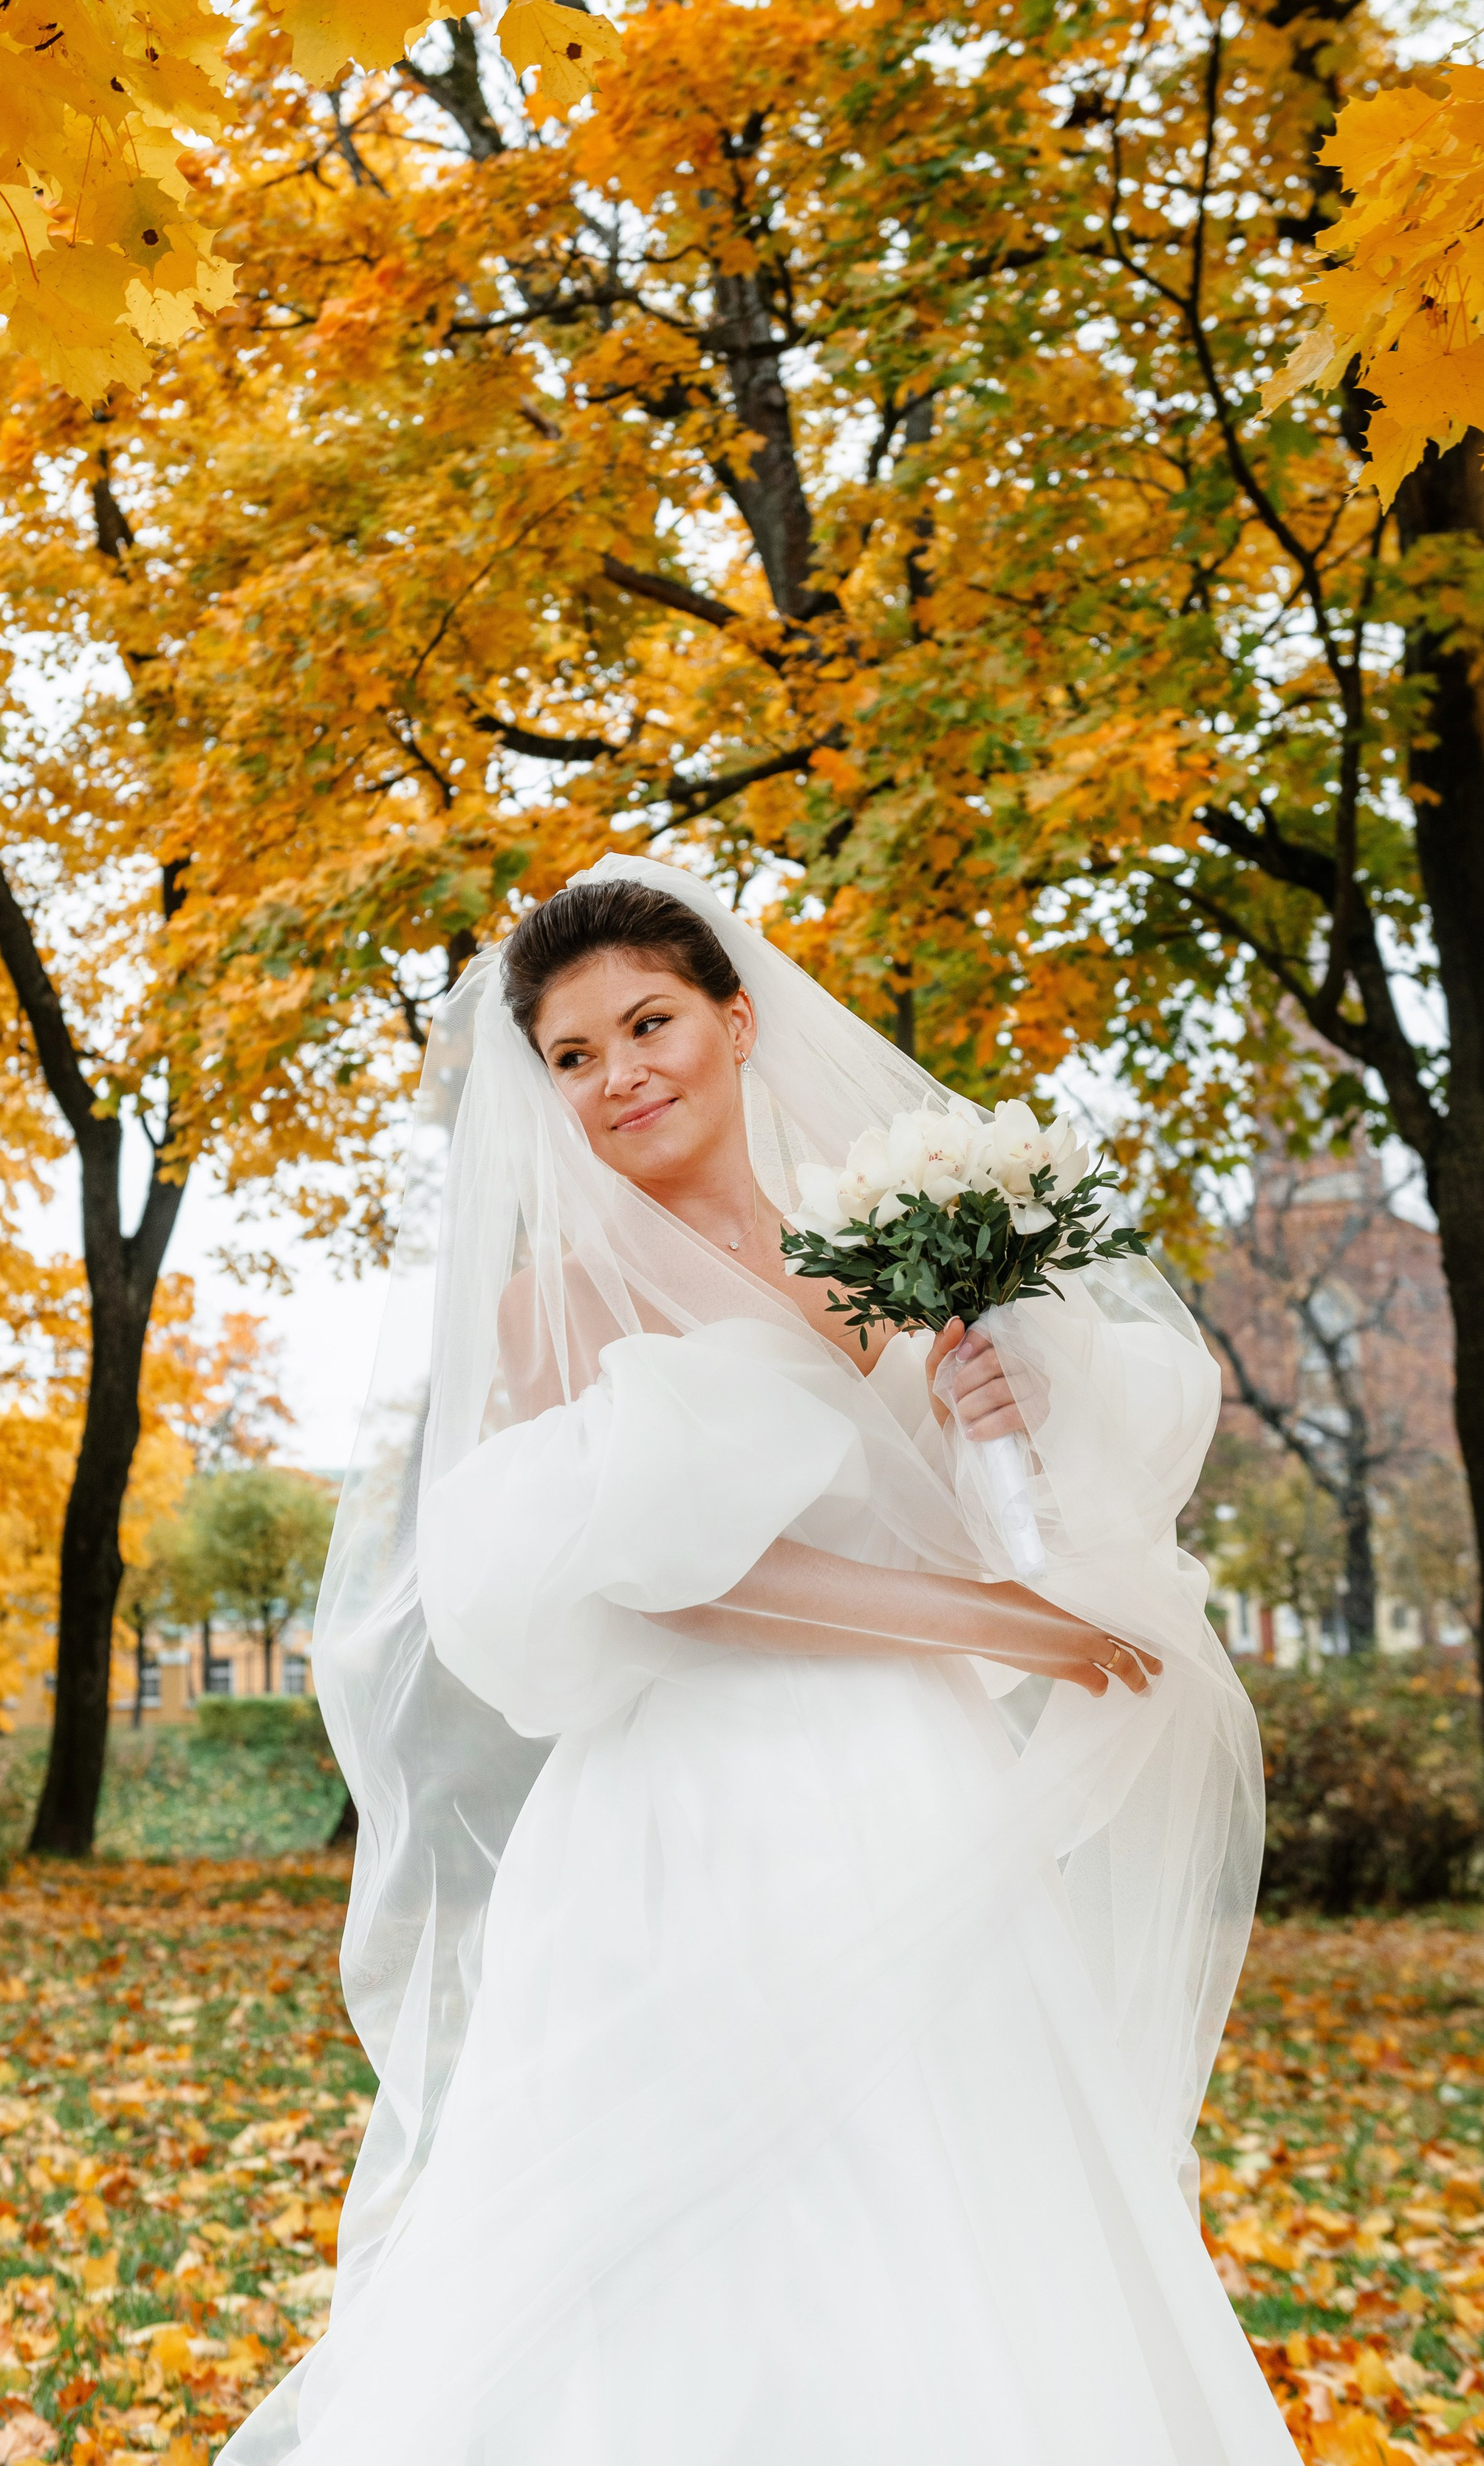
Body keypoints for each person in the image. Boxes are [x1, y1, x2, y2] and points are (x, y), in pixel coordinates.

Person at [219, 856, 1291, 2466]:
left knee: (945, 2171)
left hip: (914, 1784)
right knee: (669, 2208)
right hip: (682, 1807)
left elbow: (988, 1525)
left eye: (646, 1022)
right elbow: (675, 1592)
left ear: (733, 1020)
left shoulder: (889, 1258)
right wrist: (1003, 1627)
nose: (617, 1073)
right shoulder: (556, 1305)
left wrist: (996, 1428)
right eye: (571, 1057)